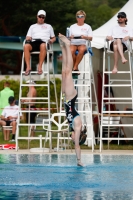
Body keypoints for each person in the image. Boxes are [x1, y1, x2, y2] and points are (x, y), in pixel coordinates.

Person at [58, 33, 87, 166]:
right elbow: (77, 146)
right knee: (68, 71)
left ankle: (63, 47)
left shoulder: (73, 128)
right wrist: (79, 161)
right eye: (73, 139)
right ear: (78, 137)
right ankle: (68, 45)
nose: (71, 139)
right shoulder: (77, 127)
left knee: (64, 71)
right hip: (71, 96)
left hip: (66, 96)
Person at [24, 10, 56, 76]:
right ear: (37, 17)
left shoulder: (49, 26)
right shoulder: (32, 26)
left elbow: (54, 38)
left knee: (43, 45)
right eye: (40, 17)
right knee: (26, 46)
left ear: (44, 18)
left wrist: (51, 41)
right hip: (34, 42)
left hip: (44, 42)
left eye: (43, 17)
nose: (41, 18)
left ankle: (40, 67)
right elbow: (28, 36)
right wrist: (28, 38)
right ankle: (28, 67)